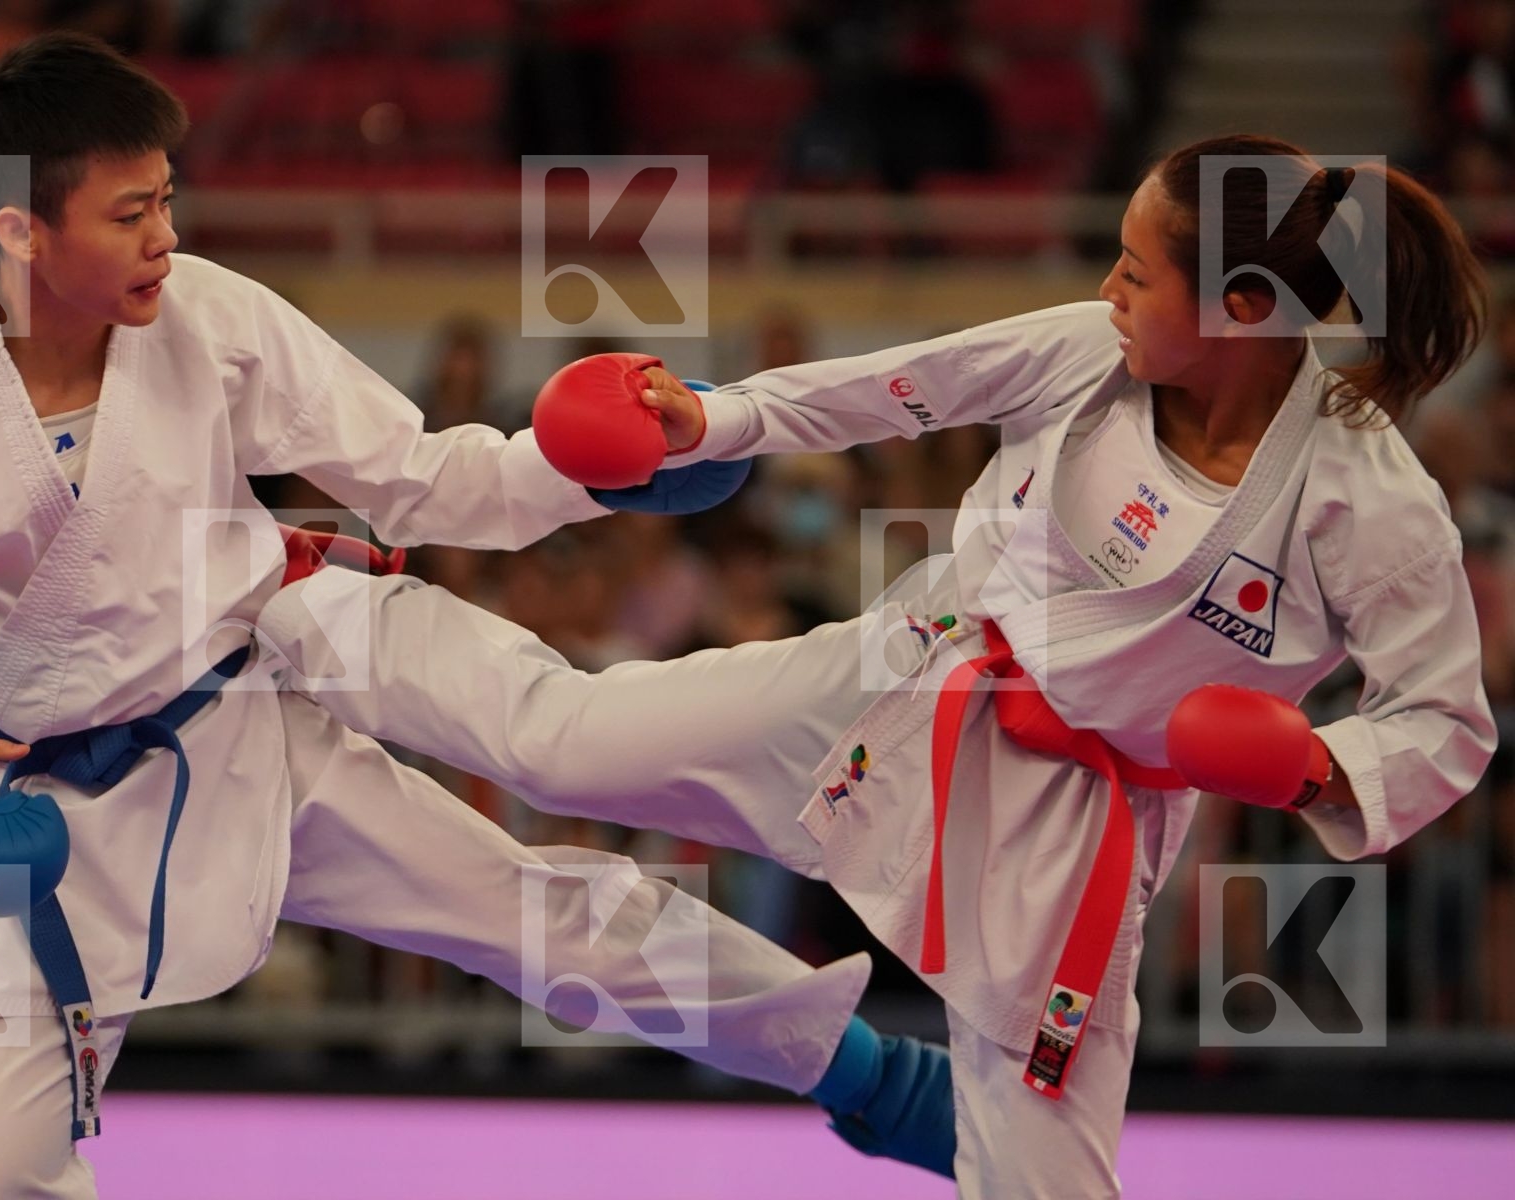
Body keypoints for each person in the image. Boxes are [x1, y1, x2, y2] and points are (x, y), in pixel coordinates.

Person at [0, 34, 934, 1199]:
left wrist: (600, 472)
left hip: (242, 716)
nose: (167, 237)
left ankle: (864, 1070)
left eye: (168, 199)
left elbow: (416, 473)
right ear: (24, 230)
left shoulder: (209, 317)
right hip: (10, 816)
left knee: (542, 889)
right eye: (131, 213)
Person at [253, 135, 1500, 1196]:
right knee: (559, 741)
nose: (1108, 289)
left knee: (1038, 1174)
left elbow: (1447, 723)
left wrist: (1321, 765)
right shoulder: (1084, 351)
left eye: (1135, 271)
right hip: (910, 676)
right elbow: (893, 392)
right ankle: (304, 599)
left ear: (1240, 312)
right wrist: (708, 417)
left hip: (1061, 822)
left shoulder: (1366, 503)